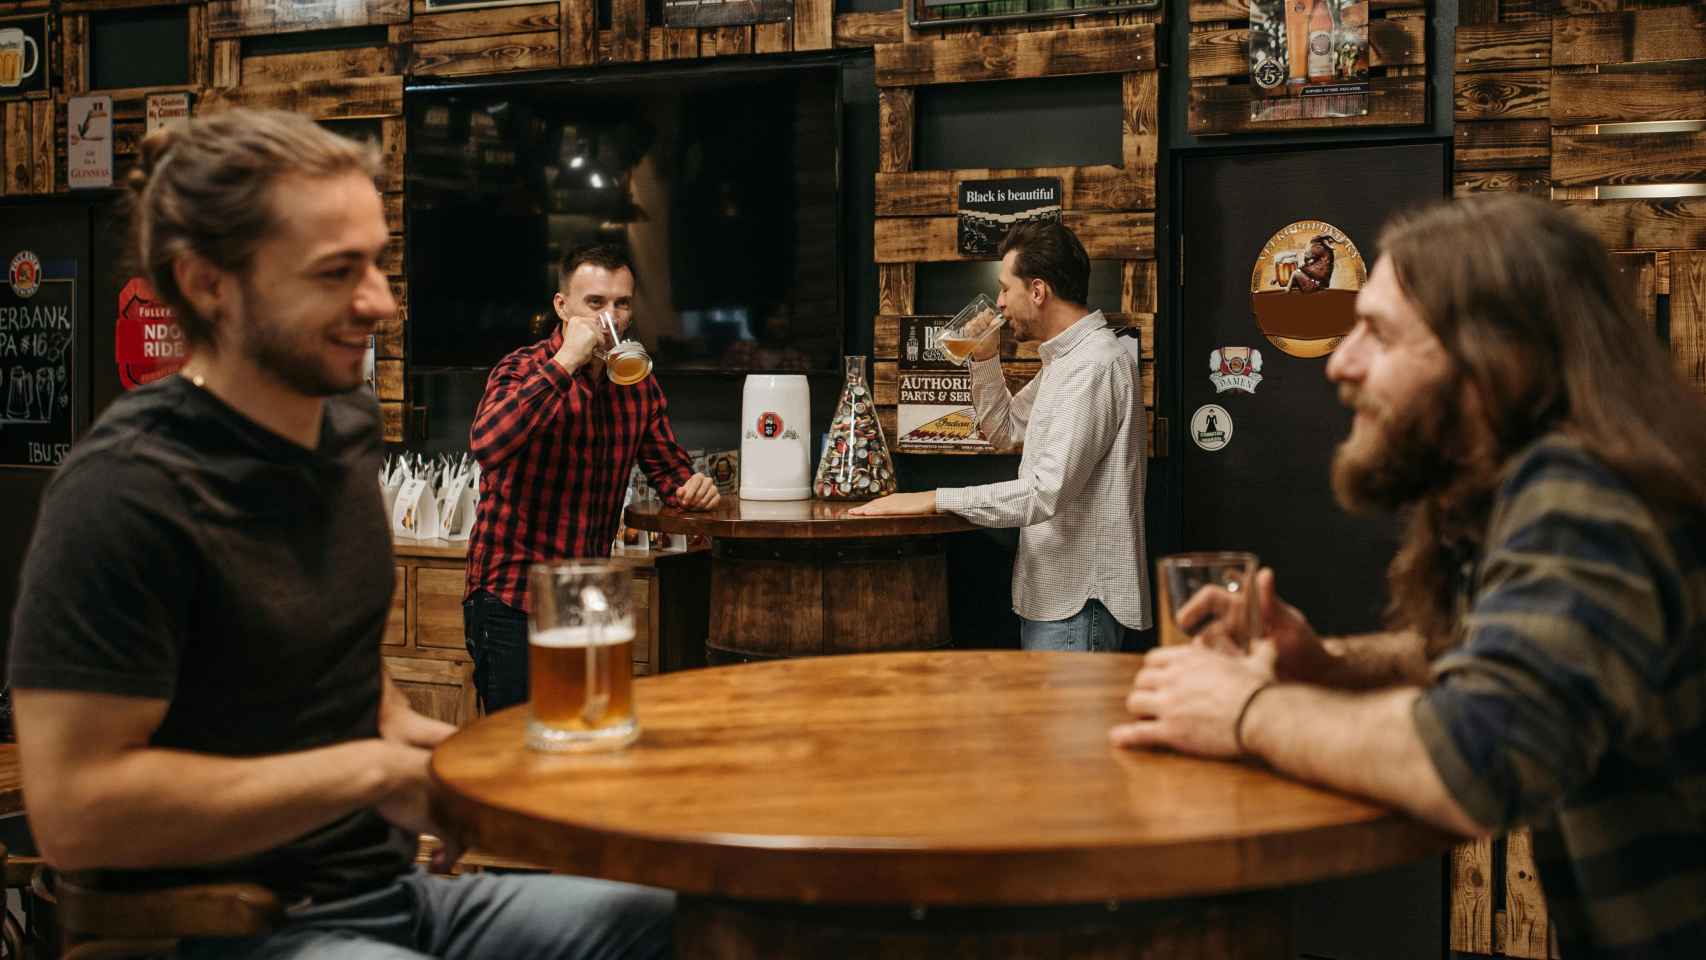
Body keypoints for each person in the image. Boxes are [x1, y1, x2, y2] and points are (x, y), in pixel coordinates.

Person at [7, 108, 672, 960]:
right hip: (249, 924)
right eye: (336, 272)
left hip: (400, 891)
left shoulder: (342, 435)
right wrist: (371, 776)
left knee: (681, 917)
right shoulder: (125, 492)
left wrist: (499, 771)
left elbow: (364, 703)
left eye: (379, 264)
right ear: (208, 282)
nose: (381, 303)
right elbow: (74, 815)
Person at [1112, 195, 1706, 958]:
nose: (1339, 361)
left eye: (1379, 333)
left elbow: (1480, 758)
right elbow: (1490, 657)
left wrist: (1245, 711)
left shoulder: (1584, 492)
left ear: (1497, 360)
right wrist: (1328, 663)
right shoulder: (1568, 474)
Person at [852, 221, 1150, 651]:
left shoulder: (1093, 366)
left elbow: (1043, 494)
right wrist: (986, 357)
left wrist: (933, 498)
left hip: (1078, 602)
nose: (999, 303)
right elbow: (1005, 431)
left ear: (1037, 291)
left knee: (1063, 723)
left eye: (1005, 288)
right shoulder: (1067, 360)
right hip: (1058, 599)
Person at [463, 244, 718, 713]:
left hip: (587, 602)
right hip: (512, 597)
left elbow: (670, 473)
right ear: (562, 307)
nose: (611, 318)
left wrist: (693, 488)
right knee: (518, 748)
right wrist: (565, 364)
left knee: (583, 741)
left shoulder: (637, 383)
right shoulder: (521, 369)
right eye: (595, 303)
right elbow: (487, 445)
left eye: (621, 304)